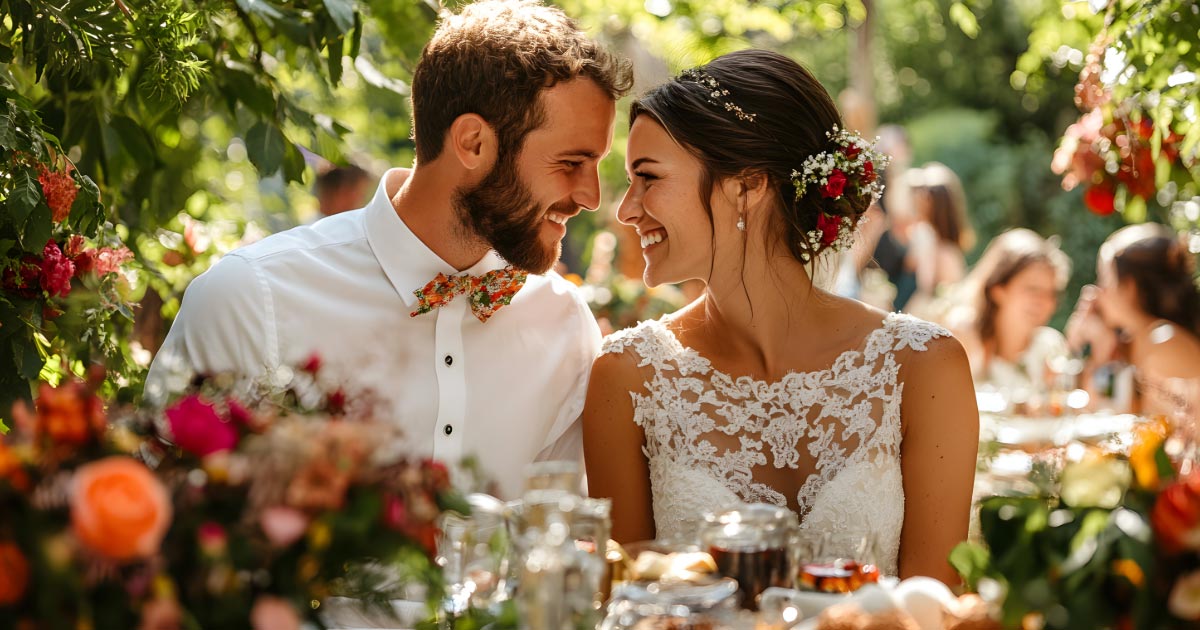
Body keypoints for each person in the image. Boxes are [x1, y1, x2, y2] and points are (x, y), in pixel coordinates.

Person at [146, 0, 634, 498]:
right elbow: (165, 526)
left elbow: (557, 540)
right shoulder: (249, 299)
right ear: (473, 143)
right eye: (572, 162)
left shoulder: (566, 325)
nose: (591, 197)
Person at [582, 50, 978, 585]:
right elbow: (629, 605)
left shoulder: (924, 368)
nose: (626, 209)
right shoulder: (627, 376)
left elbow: (933, 608)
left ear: (746, 186)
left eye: (647, 177)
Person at [1066, 223, 1200, 417]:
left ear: (1129, 287)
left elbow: (1113, 420)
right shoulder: (1135, 343)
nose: (1096, 293)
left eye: (1103, 279)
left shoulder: (1164, 344)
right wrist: (1100, 348)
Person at [944, 228, 1071, 398]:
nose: (1044, 302)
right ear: (998, 290)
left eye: (1051, 293)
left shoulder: (1051, 346)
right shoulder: (963, 340)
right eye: (1032, 289)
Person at [903, 162, 974, 316]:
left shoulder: (944, 252)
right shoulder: (920, 236)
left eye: (922, 194)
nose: (916, 198)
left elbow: (933, 291)